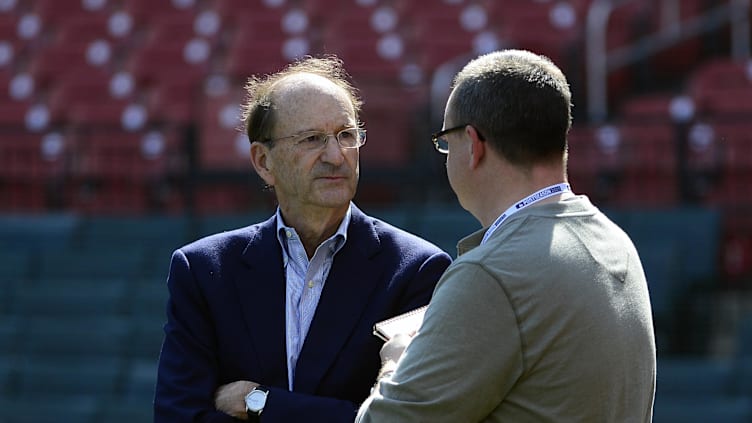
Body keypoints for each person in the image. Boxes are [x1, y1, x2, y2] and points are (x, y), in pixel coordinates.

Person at [356, 49, 656, 422]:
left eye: (446, 142)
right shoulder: (615, 240)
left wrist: (397, 362)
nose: (446, 155)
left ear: (473, 144)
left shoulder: (492, 275)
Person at [154, 56, 452, 422]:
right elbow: (178, 416)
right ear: (263, 161)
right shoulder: (202, 270)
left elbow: (408, 418)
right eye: (312, 139)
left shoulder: (417, 270)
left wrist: (260, 402)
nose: (336, 155)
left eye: (346, 135)